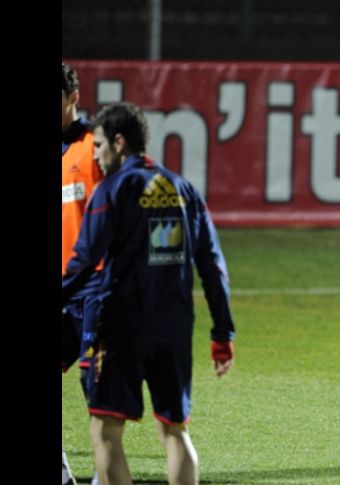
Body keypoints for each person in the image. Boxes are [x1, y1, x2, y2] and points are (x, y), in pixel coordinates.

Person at [62, 102, 236, 485]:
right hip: (172, 328)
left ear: (119, 143)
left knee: (105, 431)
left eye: (100, 146)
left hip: (119, 327)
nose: (95, 154)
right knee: (175, 431)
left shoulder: (111, 190)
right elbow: (213, 267)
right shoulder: (184, 190)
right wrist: (222, 333)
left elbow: (84, 260)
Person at [62, 61, 104, 485]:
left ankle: (104, 476)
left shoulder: (95, 146)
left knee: (95, 389)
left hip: (96, 287)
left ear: (73, 97)